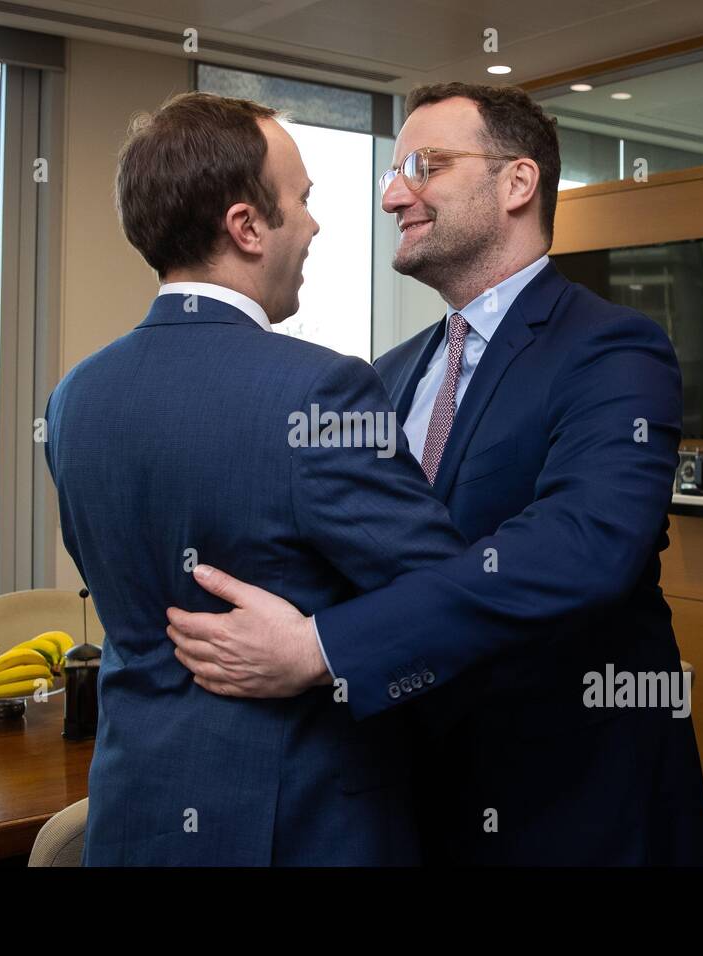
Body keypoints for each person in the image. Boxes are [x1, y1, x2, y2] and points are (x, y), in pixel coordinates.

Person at [167, 83, 703, 865]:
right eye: (392, 172)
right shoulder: (383, 377)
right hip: (412, 801)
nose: (394, 195)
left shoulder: (614, 352)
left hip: (575, 806)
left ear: (518, 182)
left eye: (424, 165)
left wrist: (322, 648)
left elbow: (585, 546)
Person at [44, 92, 464, 865]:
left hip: (134, 816)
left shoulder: (73, 399)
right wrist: (321, 649)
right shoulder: (320, 390)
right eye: (300, 201)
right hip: (296, 825)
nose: (313, 224)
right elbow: (449, 599)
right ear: (246, 227)